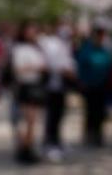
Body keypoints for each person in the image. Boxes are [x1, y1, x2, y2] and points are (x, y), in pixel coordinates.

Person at [39, 22, 76, 162]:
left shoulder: (65, 46)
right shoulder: (50, 44)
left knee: (59, 116)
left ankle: (57, 142)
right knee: (52, 117)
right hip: (51, 87)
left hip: (61, 87)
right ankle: (49, 144)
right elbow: (51, 64)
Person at [11, 21, 47, 164]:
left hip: (36, 85)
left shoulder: (37, 48)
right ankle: (24, 148)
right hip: (26, 86)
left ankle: (27, 147)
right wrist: (36, 67)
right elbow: (18, 69)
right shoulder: (20, 49)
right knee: (28, 120)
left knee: (32, 121)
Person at [76, 27, 112, 147]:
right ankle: (89, 135)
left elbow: (109, 65)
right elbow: (81, 67)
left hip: (102, 85)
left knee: (100, 112)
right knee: (90, 111)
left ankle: (98, 135)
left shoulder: (104, 50)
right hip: (89, 86)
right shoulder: (86, 50)